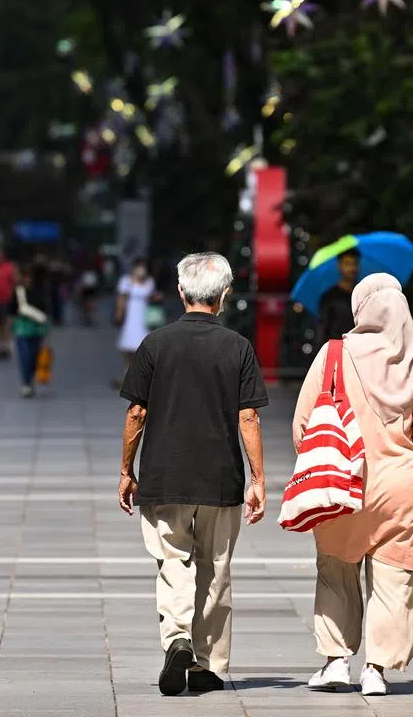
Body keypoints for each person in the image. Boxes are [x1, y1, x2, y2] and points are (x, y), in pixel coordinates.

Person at [118, 252, 268, 696]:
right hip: (221, 479)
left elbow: (137, 412)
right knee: (216, 568)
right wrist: (258, 479)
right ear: (224, 297)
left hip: (164, 477)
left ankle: (177, 638)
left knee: (172, 562)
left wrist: (127, 469)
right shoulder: (238, 348)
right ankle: (206, 666)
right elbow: (248, 420)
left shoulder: (155, 344)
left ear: (180, 293)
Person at [294, 274, 413, 697]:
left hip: (344, 480)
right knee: (394, 580)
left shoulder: (334, 354)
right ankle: (376, 670)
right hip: (402, 488)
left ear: (360, 308)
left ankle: (337, 662)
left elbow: (304, 422)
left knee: (335, 572)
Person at [113, 258, 156, 386]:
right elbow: (121, 299)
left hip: (144, 316)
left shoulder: (149, 282)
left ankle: (139, 377)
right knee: (128, 346)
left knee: (142, 347)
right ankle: (127, 374)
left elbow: (152, 297)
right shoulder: (126, 281)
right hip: (130, 317)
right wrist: (119, 314)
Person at [10, 264, 50, 398]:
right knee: (24, 355)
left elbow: (45, 308)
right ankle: (26, 383)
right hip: (22, 328)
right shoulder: (18, 291)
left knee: (34, 356)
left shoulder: (39, 290)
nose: (27, 279)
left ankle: (30, 379)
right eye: (25, 276)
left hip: (36, 329)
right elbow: (13, 309)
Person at [316, 249, 361, 345]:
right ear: (339, 266)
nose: (352, 268)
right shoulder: (329, 297)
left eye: (355, 263)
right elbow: (322, 331)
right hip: (337, 352)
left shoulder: (363, 294)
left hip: (360, 350)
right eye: (347, 264)